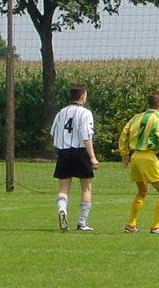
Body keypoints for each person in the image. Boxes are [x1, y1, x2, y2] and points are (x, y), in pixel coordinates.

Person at [118, 91, 159, 234]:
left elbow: (124, 135)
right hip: (148, 157)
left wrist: (125, 154)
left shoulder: (136, 117)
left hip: (135, 156)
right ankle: (156, 226)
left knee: (142, 191)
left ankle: (131, 224)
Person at [50, 83, 99, 232]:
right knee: (86, 188)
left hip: (64, 153)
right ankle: (82, 223)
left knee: (63, 188)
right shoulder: (85, 113)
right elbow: (86, 135)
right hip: (80, 152)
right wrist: (92, 157)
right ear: (83, 96)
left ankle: (62, 210)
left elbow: (53, 132)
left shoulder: (61, 112)